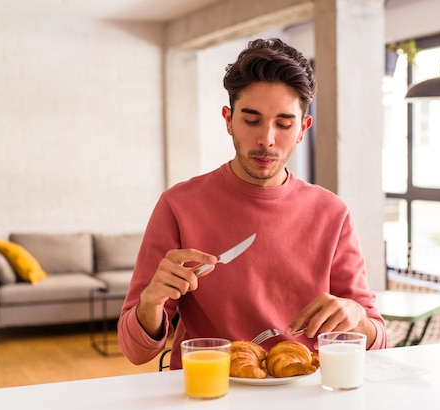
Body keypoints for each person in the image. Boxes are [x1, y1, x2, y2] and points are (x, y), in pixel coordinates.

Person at [117, 38, 387, 369]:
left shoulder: (332, 213)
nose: (266, 139)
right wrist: (150, 303)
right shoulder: (178, 206)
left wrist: (357, 317)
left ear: (303, 129)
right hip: (208, 392)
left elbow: (378, 342)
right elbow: (135, 352)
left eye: (284, 124)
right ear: (228, 120)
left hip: (304, 392)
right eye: (251, 120)